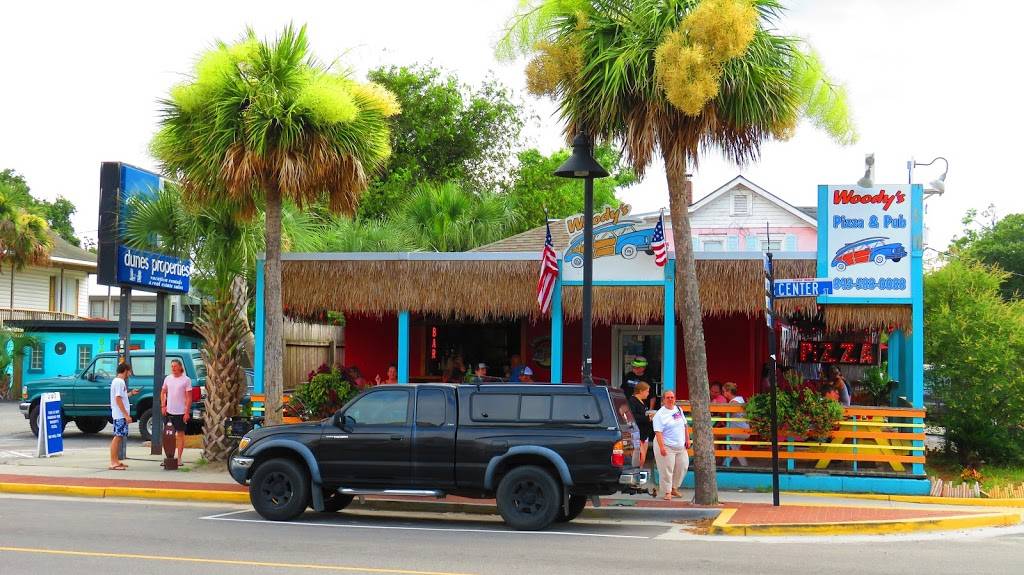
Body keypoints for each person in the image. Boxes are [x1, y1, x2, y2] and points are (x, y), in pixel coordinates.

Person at [652, 390, 690, 500]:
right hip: (666, 444)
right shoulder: (659, 414)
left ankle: (674, 488)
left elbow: (685, 425)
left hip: (680, 445)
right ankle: (667, 492)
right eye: (668, 397)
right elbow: (658, 432)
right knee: (666, 469)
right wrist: (662, 447)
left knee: (683, 466)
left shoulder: (678, 409)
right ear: (663, 400)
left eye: (672, 397)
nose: (670, 399)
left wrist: (687, 439)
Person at [160, 358, 193, 468]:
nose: (173, 368)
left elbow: (189, 397)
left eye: (175, 366)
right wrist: (163, 405)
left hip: (181, 412)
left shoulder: (186, 380)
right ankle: (169, 457)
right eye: (172, 366)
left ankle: (179, 458)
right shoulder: (168, 379)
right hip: (169, 411)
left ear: (180, 367)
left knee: (180, 435)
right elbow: (163, 392)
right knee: (168, 435)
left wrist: (187, 412)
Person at [108, 362, 139, 471]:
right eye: (129, 371)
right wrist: (126, 415)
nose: (130, 374)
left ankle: (116, 461)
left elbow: (122, 396)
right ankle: (113, 462)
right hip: (120, 415)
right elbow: (118, 399)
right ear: (125, 370)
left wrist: (131, 393)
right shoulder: (120, 382)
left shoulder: (118, 382)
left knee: (119, 436)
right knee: (117, 437)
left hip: (119, 414)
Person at [628, 382, 655, 468]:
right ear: (640, 391)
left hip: (644, 433)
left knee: (642, 459)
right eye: (647, 391)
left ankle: (639, 474)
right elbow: (633, 416)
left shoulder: (642, 401)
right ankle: (636, 474)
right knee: (640, 458)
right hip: (637, 433)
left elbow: (642, 414)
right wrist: (648, 418)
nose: (648, 393)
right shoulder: (632, 401)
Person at [722, 382, 749, 467]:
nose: (723, 394)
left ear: (729, 391)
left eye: (724, 391)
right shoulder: (740, 399)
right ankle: (726, 464)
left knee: (716, 434)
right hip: (744, 429)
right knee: (734, 447)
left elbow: (728, 413)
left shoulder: (734, 402)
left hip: (738, 430)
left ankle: (743, 464)